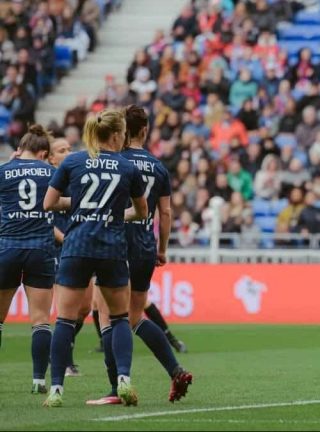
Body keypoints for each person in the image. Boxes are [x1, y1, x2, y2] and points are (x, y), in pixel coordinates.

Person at [87, 105, 193, 406]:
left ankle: (115, 387)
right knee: (134, 317)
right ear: (145, 131)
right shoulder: (158, 166)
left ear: (120, 130)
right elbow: (166, 212)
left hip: (115, 243)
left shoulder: (115, 162)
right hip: (145, 247)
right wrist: (162, 248)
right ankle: (176, 370)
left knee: (108, 317)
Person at [42, 108, 148, 407]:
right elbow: (142, 211)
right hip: (111, 248)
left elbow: (49, 203)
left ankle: (56, 389)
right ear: (117, 134)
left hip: (76, 246)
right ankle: (124, 380)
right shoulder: (128, 168)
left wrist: (81, 208)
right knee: (118, 319)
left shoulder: (74, 160)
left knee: (64, 319)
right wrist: (116, 213)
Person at [0, 126, 59, 394]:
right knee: (40, 320)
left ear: (21, 147)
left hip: (7, 247)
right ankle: (38, 380)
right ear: (44, 152)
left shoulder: (3, 172)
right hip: (40, 249)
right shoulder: (51, 172)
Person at [48, 138, 90, 378]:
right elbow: (47, 218)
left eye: (69, 149)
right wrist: (66, 239)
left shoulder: (77, 177)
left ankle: (57, 351)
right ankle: (64, 360)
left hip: (82, 246)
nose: (67, 153)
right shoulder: (51, 181)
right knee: (67, 310)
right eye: (61, 151)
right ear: (51, 158)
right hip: (60, 249)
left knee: (85, 307)